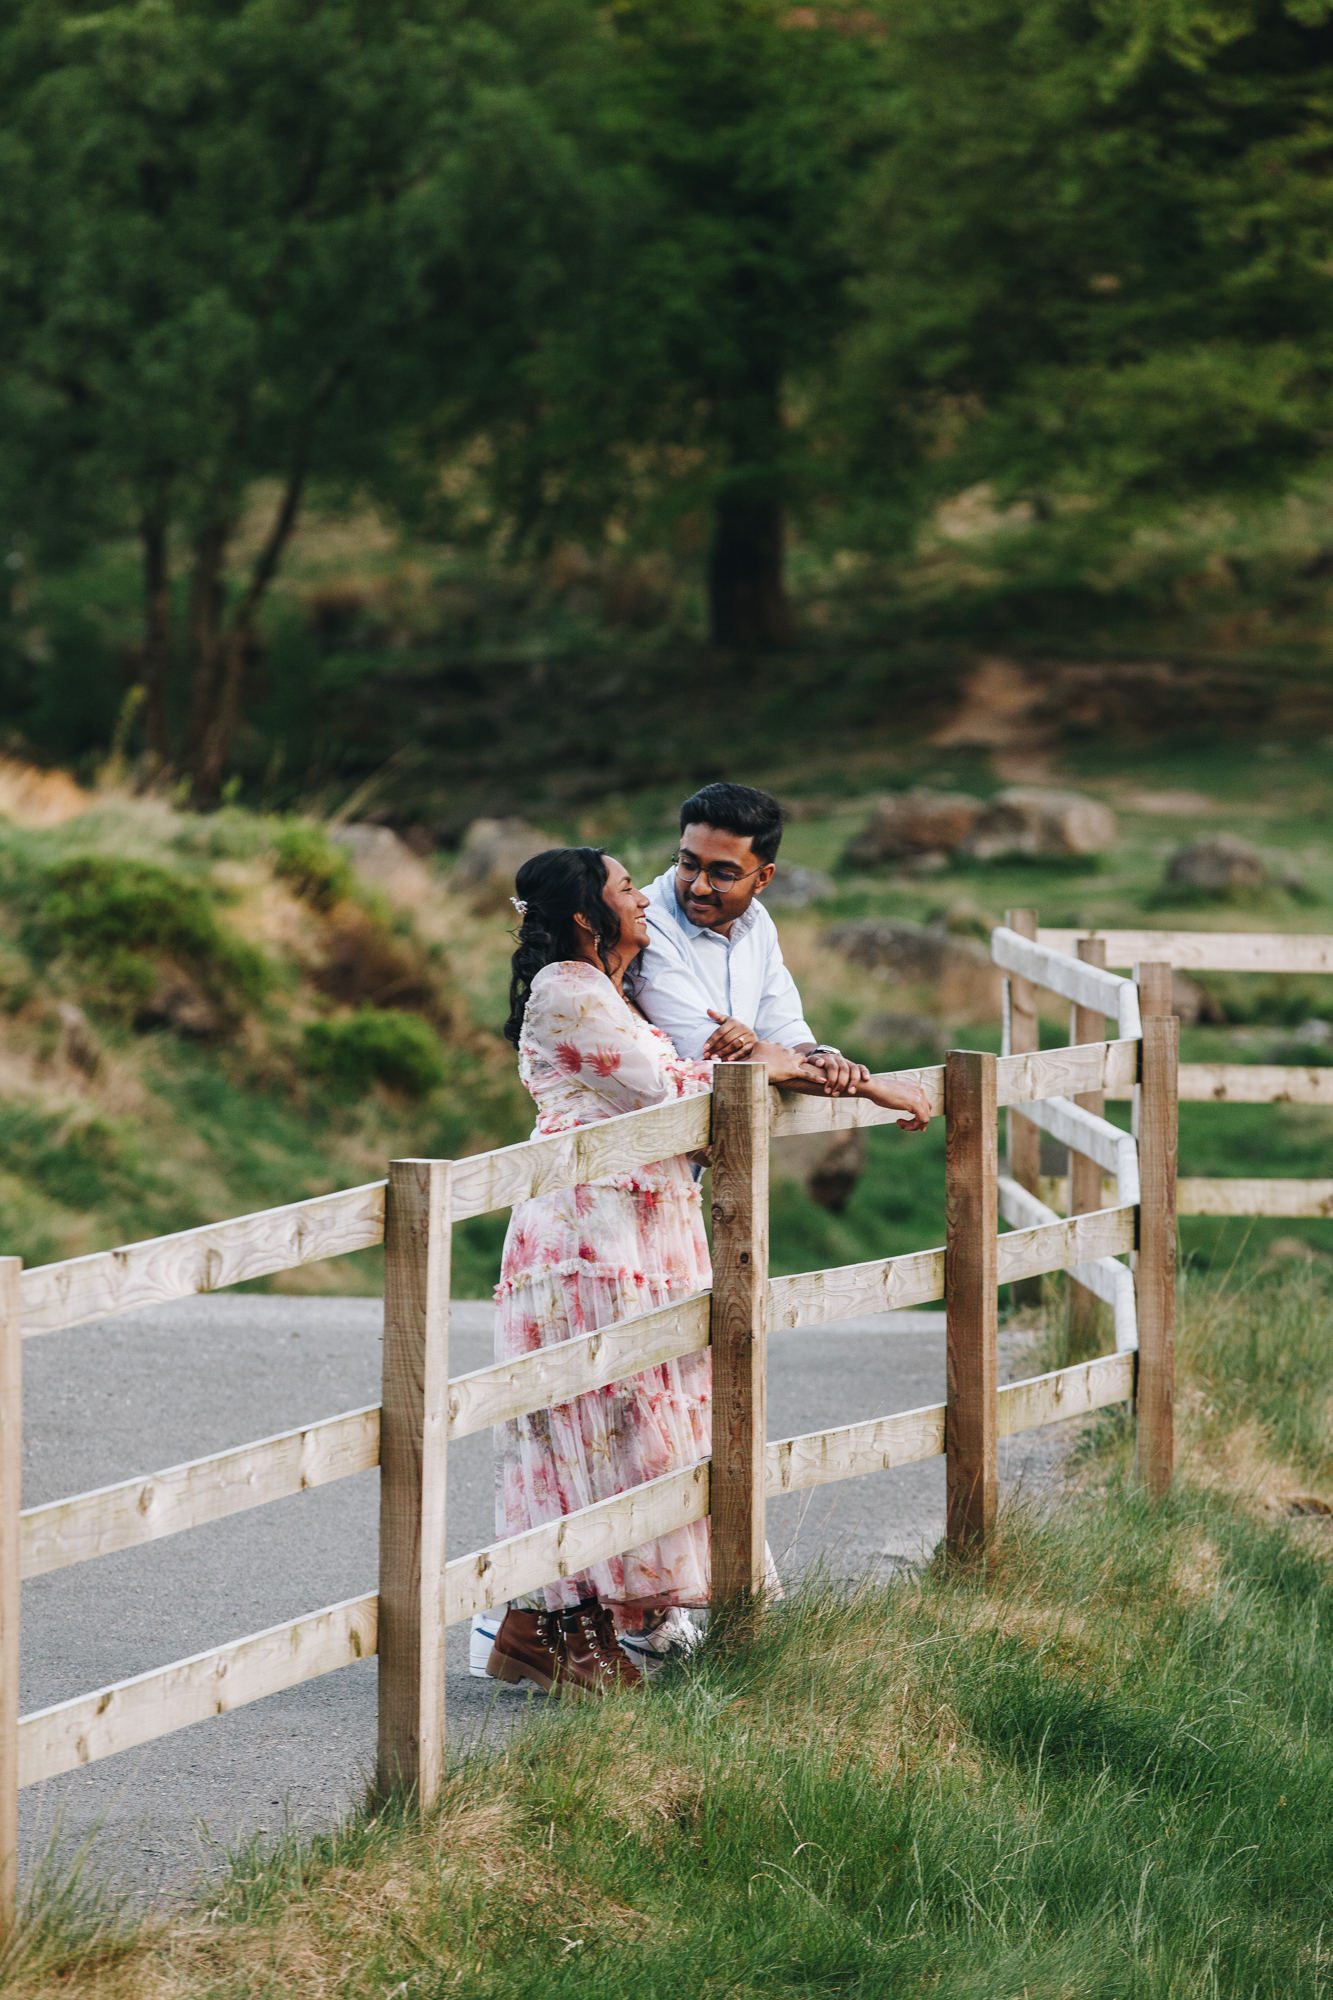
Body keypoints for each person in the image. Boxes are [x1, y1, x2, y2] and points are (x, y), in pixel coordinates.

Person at [481, 845, 931, 1699]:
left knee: (620, 1430)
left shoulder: (613, 989)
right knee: (582, 1429)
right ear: (586, 915)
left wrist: (787, 1059)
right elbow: (677, 1091)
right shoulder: (567, 991)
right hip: (585, 1235)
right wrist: (802, 1072)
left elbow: (711, 1063)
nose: (646, 900)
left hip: (637, 1230)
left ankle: (538, 1629)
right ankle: (568, 1630)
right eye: (626, 889)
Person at [638, 782, 874, 1097]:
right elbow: (712, 1054)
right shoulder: (645, 923)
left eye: (723, 874)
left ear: (763, 878)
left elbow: (782, 1024)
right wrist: (877, 1090)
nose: (699, 887)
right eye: (688, 864)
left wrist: (825, 1058)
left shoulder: (757, 920)